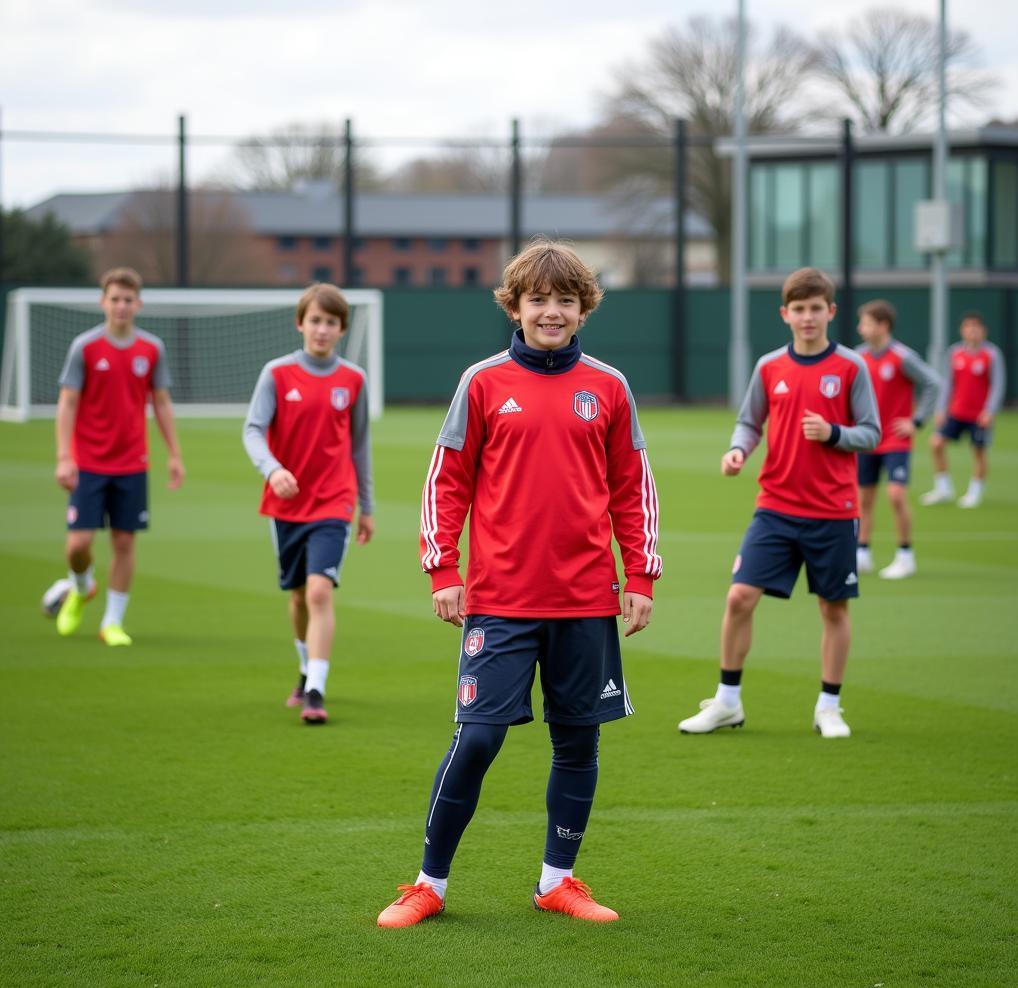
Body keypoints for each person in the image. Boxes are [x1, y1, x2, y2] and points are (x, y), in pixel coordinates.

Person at [377, 240, 662, 928]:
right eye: (539, 299)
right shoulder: (481, 382)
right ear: (515, 305)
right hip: (500, 600)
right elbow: (446, 481)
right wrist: (444, 568)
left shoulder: (610, 386)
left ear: (584, 308)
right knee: (477, 739)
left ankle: (556, 882)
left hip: (587, 599)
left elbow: (634, 488)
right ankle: (427, 885)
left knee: (578, 742)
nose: (552, 312)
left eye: (566, 300)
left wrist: (641, 574)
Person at [678, 267, 879, 740]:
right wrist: (737, 450)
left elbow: (872, 432)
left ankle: (829, 706)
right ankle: (727, 701)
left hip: (833, 510)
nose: (807, 318)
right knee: (739, 597)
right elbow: (750, 422)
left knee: (833, 610)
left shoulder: (851, 367)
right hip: (775, 507)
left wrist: (834, 434)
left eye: (816, 309)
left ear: (830, 312)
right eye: (799, 309)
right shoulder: (770, 367)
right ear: (785, 314)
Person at [243, 283, 374, 725]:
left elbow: (359, 447)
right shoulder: (276, 374)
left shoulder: (354, 379)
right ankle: (305, 669)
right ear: (300, 323)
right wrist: (272, 469)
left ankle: (316, 691)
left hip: (334, 502)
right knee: (298, 596)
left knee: (319, 590)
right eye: (315, 320)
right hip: (286, 505)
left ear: (341, 329)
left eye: (331, 322)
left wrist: (366, 506)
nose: (322, 329)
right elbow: (253, 429)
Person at [54, 267, 185, 646]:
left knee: (124, 542)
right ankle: (81, 587)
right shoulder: (86, 347)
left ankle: (112, 622)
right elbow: (67, 403)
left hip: (132, 463)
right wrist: (65, 456)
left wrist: (174, 453)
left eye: (128, 300)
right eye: (115, 299)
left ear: (138, 304)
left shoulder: (151, 349)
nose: (121, 306)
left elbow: (160, 402)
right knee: (78, 544)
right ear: (103, 302)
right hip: (89, 462)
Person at [854, 300, 940, 580]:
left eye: (865, 323)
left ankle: (905, 555)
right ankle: (862, 553)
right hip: (866, 439)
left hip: (895, 439)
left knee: (896, 494)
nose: (860, 328)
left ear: (883, 325)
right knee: (863, 498)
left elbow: (933, 384)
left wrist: (916, 421)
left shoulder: (902, 357)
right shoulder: (858, 357)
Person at [920, 312, 1005, 509]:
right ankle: (943, 489)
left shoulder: (991, 354)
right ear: (962, 331)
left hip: (979, 415)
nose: (972, 331)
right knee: (936, 444)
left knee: (978, 452)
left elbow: (997, 385)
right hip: (956, 412)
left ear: (983, 331)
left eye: (976, 327)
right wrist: (941, 409)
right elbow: (947, 384)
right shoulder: (955, 352)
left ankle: (974, 492)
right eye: (968, 327)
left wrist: (989, 411)